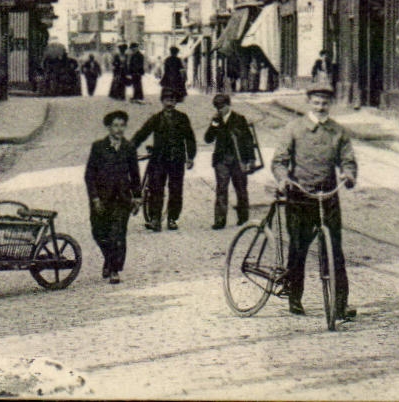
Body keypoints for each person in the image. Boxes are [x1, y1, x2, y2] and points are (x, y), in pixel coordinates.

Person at [268, 83, 356, 321]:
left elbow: (347, 159)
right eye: (316, 102)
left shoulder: (338, 132)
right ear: (309, 103)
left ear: (330, 105)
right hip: (300, 195)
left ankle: (340, 305)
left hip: (328, 196)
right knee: (298, 248)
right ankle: (295, 298)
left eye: (325, 103)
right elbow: (279, 160)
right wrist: (283, 178)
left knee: (335, 251)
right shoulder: (294, 129)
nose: (320, 107)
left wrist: (348, 174)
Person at [84, 109, 141, 283]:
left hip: (122, 199)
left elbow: (135, 174)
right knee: (98, 232)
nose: (119, 129)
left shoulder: (129, 147)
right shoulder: (99, 147)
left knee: (117, 235)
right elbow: (89, 175)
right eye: (115, 125)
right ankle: (109, 260)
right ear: (108, 127)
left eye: (122, 125)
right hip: (101, 199)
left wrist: (137, 197)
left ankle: (114, 269)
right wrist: (94, 198)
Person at [130, 88, 196, 230]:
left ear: (176, 102)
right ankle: (155, 219)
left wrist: (190, 157)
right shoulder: (156, 118)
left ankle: (172, 219)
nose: (170, 103)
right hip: (159, 159)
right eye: (167, 100)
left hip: (177, 160)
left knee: (176, 190)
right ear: (162, 101)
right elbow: (142, 133)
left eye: (172, 100)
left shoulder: (182, 118)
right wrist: (130, 148)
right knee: (156, 189)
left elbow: (190, 138)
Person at [204, 93, 259, 229]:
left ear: (229, 105)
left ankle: (243, 218)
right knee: (221, 189)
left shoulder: (239, 119)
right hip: (221, 160)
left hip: (238, 160)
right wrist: (213, 125)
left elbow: (248, 140)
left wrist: (251, 159)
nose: (219, 110)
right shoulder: (216, 120)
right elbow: (208, 139)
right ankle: (220, 220)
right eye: (217, 107)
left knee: (241, 189)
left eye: (222, 107)